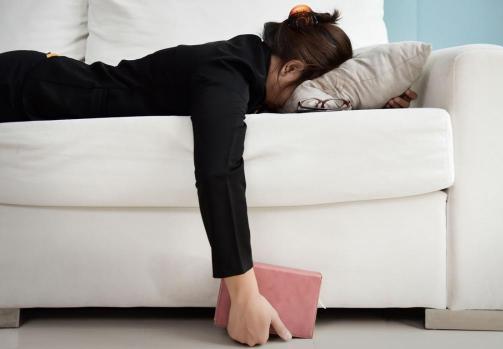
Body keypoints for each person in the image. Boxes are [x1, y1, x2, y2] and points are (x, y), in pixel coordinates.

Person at [0, 4, 416, 346]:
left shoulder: (248, 64)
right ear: (289, 70)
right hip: (23, 88)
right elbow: (219, 171)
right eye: (306, 92)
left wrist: (372, 110)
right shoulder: (226, 73)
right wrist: (245, 296)